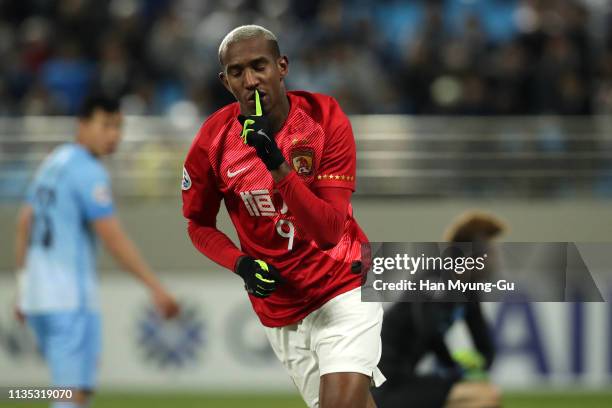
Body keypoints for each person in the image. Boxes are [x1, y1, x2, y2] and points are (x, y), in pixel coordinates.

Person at [182, 25, 384, 408]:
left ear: (282, 66)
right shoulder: (213, 142)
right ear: (226, 82)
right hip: (282, 308)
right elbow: (198, 225)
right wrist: (240, 264)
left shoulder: (324, 119)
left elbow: (328, 232)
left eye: (260, 66)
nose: (251, 80)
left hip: (343, 287)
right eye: (238, 72)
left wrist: (275, 163)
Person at [14, 95, 180, 408]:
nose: (114, 135)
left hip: (38, 296)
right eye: (106, 125)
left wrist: (24, 289)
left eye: (118, 127)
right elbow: (113, 238)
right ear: (82, 125)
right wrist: (156, 289)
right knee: (72, 395)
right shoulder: (88, 171)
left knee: (71, 392)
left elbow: (24, 222)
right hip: (69, 297)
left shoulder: (52, 163)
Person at [372, 211, 505, 408]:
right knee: (485, 397)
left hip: (406, 380)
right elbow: (429, 330)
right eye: (489, 252)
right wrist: (456, 369)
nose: (494, 259)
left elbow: (484, 343)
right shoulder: (435, 278)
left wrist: (480, 365)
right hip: (385, 387)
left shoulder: (468, 290)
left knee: (482, 392)